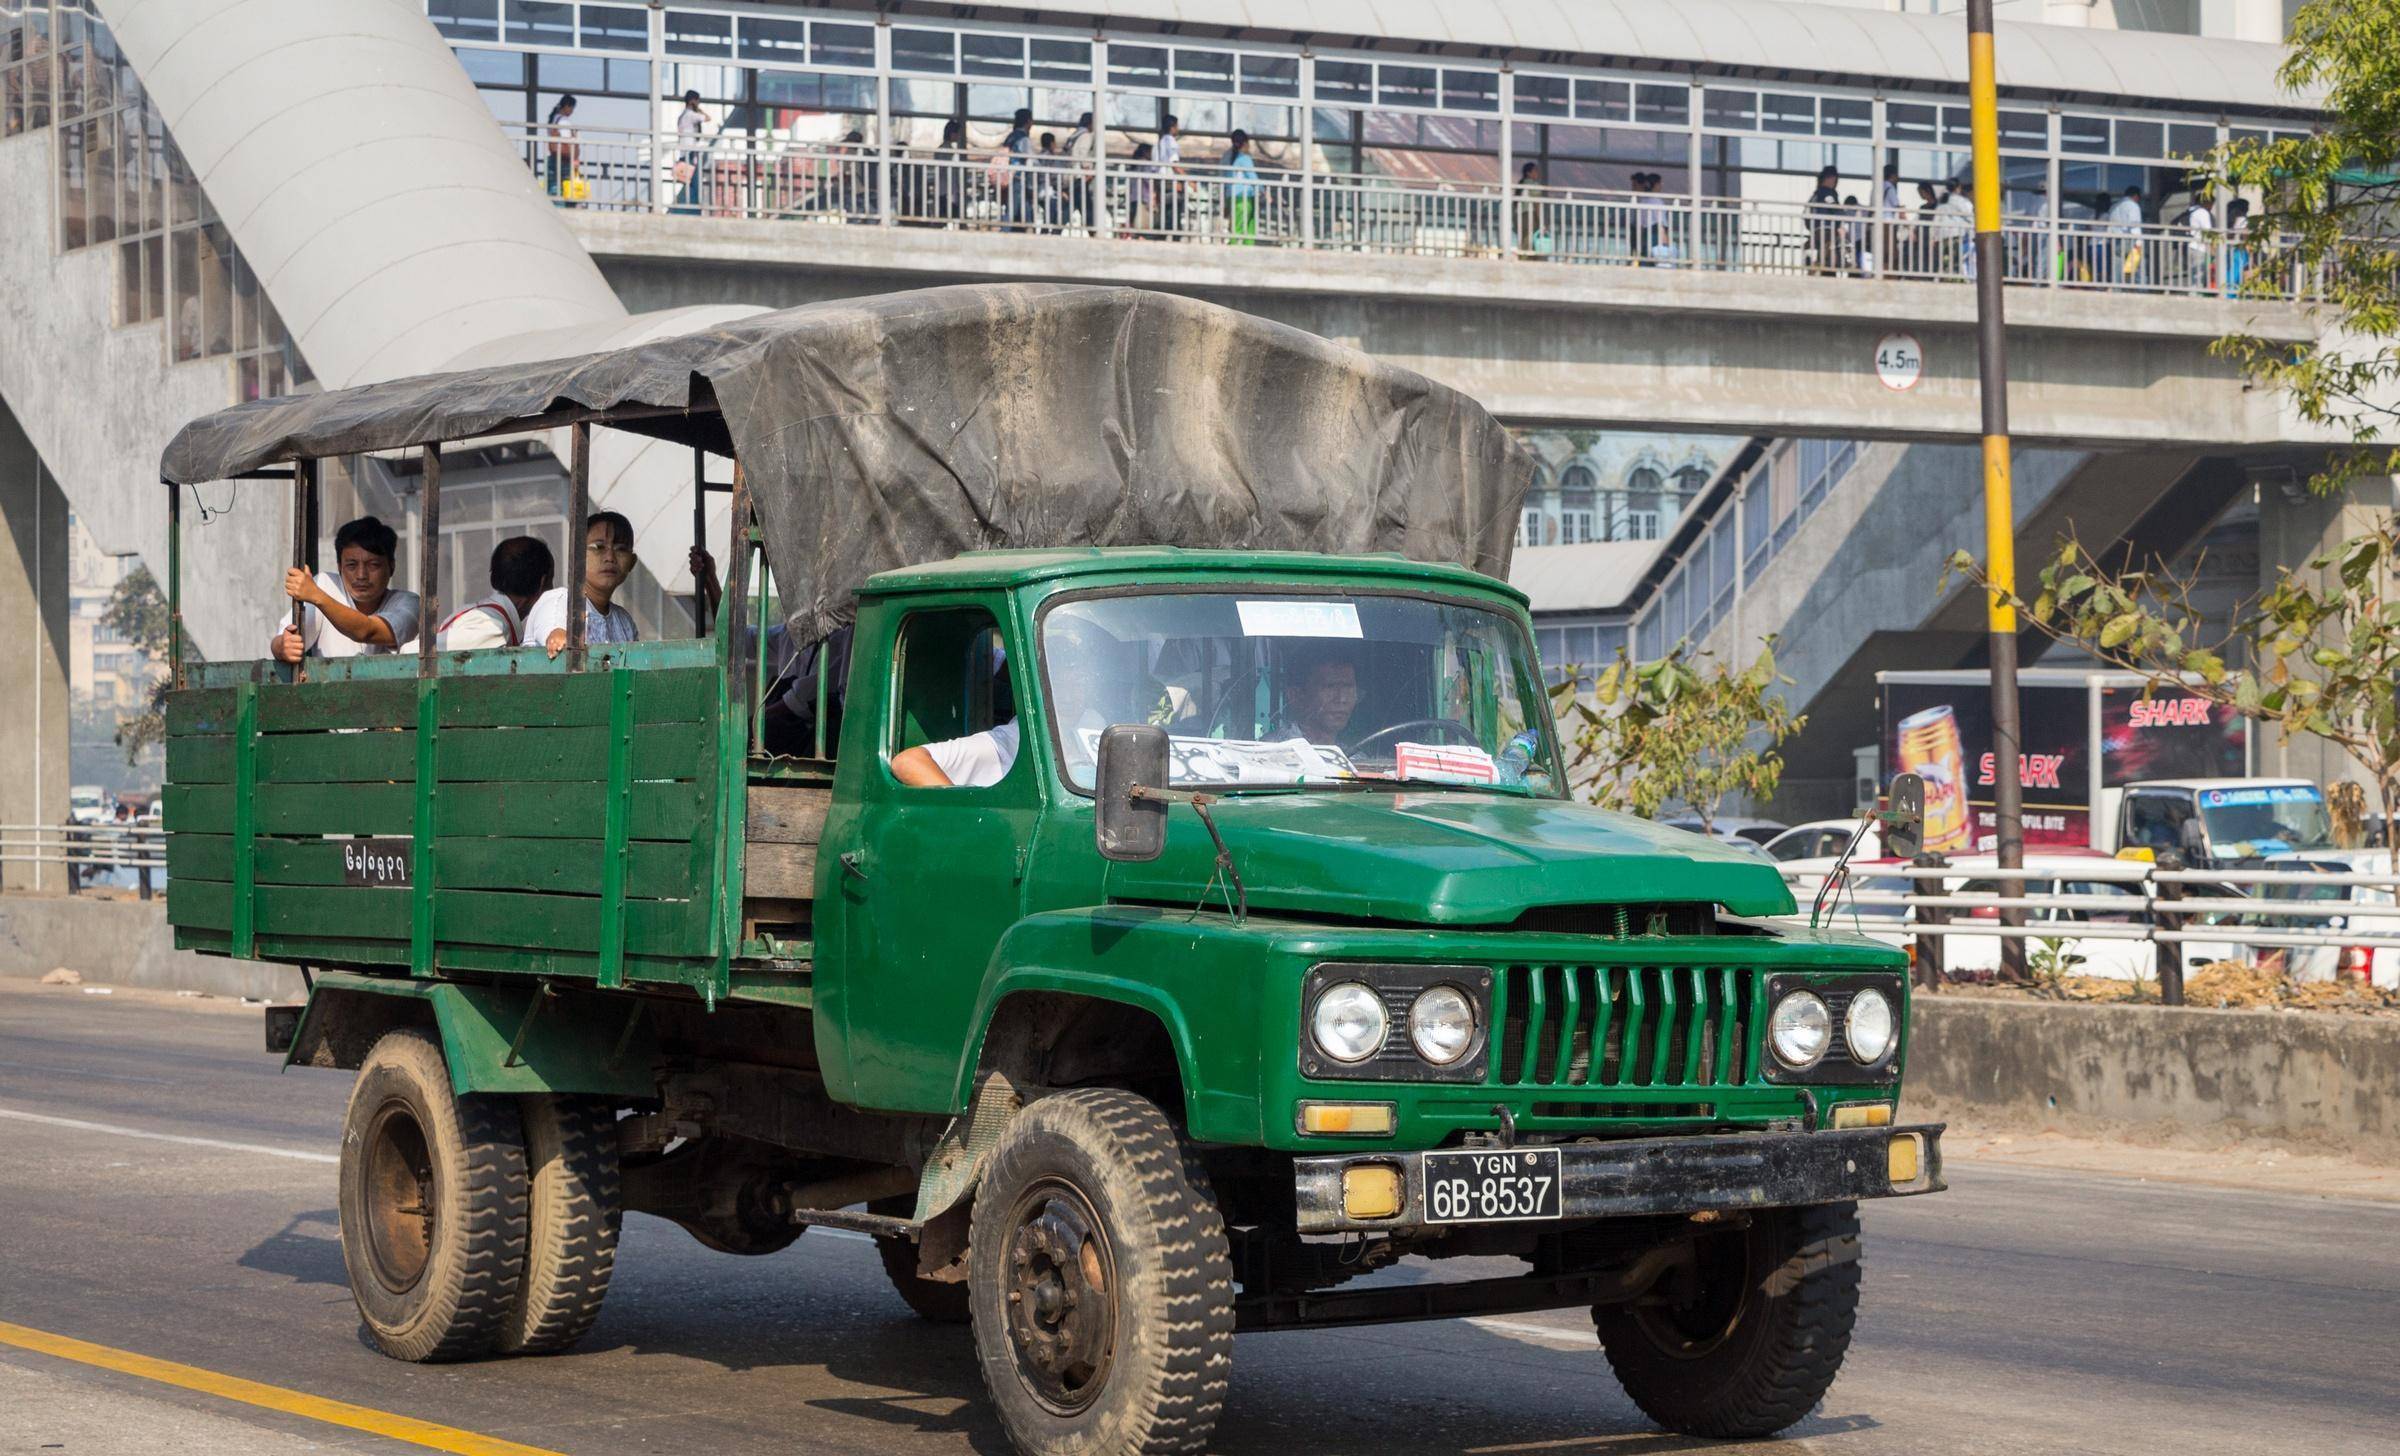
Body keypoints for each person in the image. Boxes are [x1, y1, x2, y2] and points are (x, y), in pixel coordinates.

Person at [271, 515, 421, 662]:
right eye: (351, 565)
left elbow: (367, 631)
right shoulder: (325, 585)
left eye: (373, 565)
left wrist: (317, 596)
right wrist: (283, 648)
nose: (361, 575)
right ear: (339, 567)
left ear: (391, 567)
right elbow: (281, 641)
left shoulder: (410, 604)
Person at [527, 511, 641, 658]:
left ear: (631, 563)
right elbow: (555, 635)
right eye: (598, 547)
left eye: (621, 549)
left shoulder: (624, 622)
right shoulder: (561, 601)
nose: (610, 557)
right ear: (577, 555)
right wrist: (557, 635)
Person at [431, 536, 555, 650]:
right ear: (542, 583)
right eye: (551, 580)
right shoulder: (492, 627)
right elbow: (418, 655)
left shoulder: (488, 617)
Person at [1274, 652, 1360, 749]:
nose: (1342, 699)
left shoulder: (1357, 760)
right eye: (1330, 687)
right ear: (1296, 695)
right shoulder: (1270, 752)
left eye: (1348, 688)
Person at [672, 90, 707, 214]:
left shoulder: (682, 116)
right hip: (690, 152)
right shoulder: (691, 115)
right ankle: (693, 210)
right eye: (697, 101)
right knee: (694, 182)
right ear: (693, 101)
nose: (699, 103)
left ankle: (689, 208)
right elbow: (707, 118)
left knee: (688, 181)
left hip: (683, 152)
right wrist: (698, 109)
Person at [1224, 129, 1259, 245]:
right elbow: (1253, 177)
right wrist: (1264, 192)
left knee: (1238, 226)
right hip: (1244, 198)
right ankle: (1236, 253)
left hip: (1231, 197)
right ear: (1245, 143)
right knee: (1243, 228)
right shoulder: (1244, 158)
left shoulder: (1228, 157)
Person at [2106, 183, 2145, 285]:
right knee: (2138, 268)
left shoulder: (2115, 206)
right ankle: (2141, 290)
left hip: (2116, 240)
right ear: (2136, 196)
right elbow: (2134, 225)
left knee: (2117, 269)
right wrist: (2139, 243)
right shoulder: (2133, 205)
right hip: (2129, 240)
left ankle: (2116, 289)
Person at [1002, 107, 1034, 231]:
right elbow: (1030, 160)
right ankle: (1004, 232)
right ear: (1027, 121)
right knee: (1012, 209)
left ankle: (1029, 229)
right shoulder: (1023, 138)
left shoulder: (1011, 137)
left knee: (1023, 206)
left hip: (1010, 176)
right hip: (1018, 176)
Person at [1805, 165, 1841, 273]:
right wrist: (1843, 215)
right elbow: (1835, 208)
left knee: (1825, 251)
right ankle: (1818, 265)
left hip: (1815, 229)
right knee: (1830, 253)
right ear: (1831, 178)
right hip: (1826, 228)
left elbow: (1806, 214)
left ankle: (1815, 266)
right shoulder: (1828, 193)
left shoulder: (1815, 194)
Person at [544, 94, 579, 203]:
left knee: (553, 188)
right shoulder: (564, 121)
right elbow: (567, 140)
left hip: (553, 157)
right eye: (572, 108)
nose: (572, 111)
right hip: (564, 160)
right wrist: (575, 157)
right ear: (567, 106)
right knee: (567, 187)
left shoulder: (553, 118)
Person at [1063, 111, 1096, 227]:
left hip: (1069, 175)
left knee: (1071, 205)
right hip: (1079, 176)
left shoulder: (1073, 135)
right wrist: (1088, 172)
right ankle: (1093, 232)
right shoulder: (1086, 135)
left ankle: (1053, 229)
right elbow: (1083, 154)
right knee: (1087, 208)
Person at [1155, 114, 1185, 237]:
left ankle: (1163, 235)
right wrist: (1188, 180)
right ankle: (1174, 235)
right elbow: (1174, 164)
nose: (1178, 129)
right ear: (1172, 127)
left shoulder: (1161, 141)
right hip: (1169, 181)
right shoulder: (1171, 141)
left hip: (1161, 180)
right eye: (1177, 126)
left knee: (1165, 210)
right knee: (1173, 211)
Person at [1036, 131, 1066, 232]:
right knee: (1052, 216)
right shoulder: (1051, 157)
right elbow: (1055, 176)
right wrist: (1061, 189)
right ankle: (1049, 234)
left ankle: (1046, 233)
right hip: (1049, 191)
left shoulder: (1039, 156)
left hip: (1040, 189)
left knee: (1048, 215)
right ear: (1052, 143)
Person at [1515, 160, 1545, 259]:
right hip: (1529, 216)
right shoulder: (1532, 184)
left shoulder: (1521, 185)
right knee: (1529, 241)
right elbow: (1537, 204)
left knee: (1524, 240)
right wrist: (1541, 222)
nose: (1538, 173)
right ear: (1528, 173)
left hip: (1519, 216)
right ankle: (1526, 261)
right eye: (1535, 170)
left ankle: (1523, 258)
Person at [2223, 196, 2251, 295]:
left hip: (2230, 249)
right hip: (2240, 251)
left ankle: (2226, 293)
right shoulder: (2242, 219)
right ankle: (2232, 294)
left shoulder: (2228, 220)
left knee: (2229, 273)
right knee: (2237, 275)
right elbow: (2246, 237)